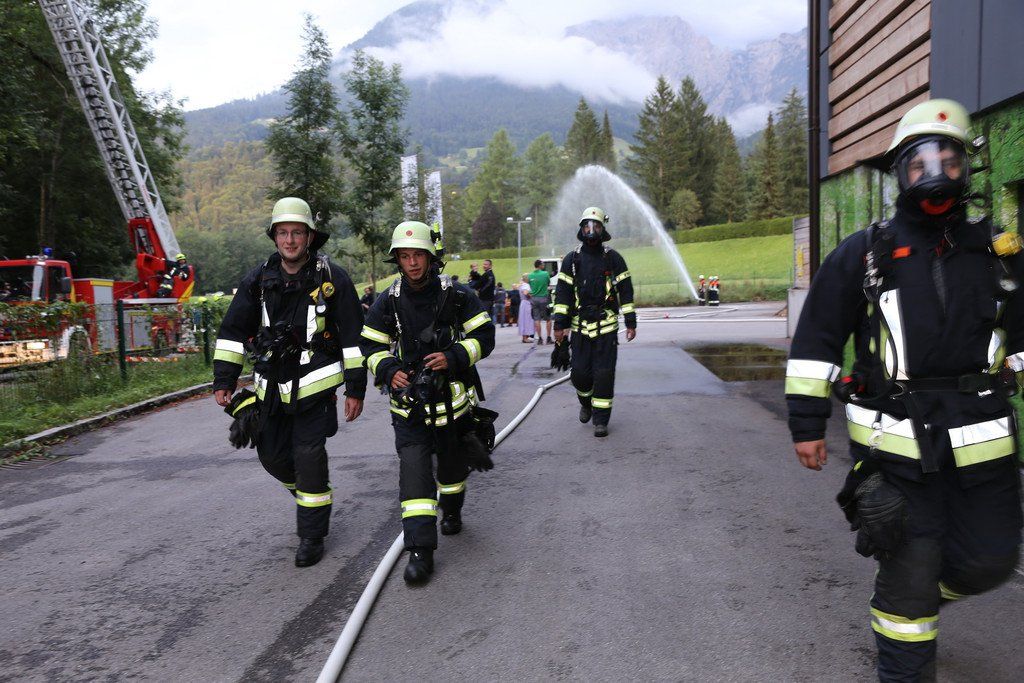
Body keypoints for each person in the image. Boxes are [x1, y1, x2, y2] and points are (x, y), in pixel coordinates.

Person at [785, 99, 1024, 682]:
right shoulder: (865, 253)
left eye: (948, 159)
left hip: (983, 446)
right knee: (909, 585)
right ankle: (906, 608)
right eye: (919, 162)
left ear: (966, 167)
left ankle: (918, 594)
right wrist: (806, 424)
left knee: (990, 563)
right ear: (901, 171)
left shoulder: (998, 252)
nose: (934, 172)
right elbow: (817, 338)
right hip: (897, 451)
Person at [212, 197, 366, 568]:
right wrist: (224, 378)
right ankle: (313, 496)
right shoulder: (258, 280)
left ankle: (311, 536)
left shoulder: (333, 279)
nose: (290, 240)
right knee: (272, 457)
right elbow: (233, 331)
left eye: (297, 233)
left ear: (310, 237)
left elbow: (353, 337)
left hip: (316, 389)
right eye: (283, 233)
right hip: (271, 389)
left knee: (309, 456)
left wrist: (355, 389)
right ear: (275, 237)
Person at [359, 221, 496, 585]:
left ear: (430, 257)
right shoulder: (388, 301)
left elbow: (485, 335)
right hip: (410, 409)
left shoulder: (458, 295)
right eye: (404, 256)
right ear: (397, 260)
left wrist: (453, 356)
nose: (412, 263)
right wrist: (388, 369)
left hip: (453, 406)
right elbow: (369, 345)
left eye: (418, 255)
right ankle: (420, 552)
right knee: (415, 475)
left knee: (452, 473)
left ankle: (452, 509)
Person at [552, 207, 636, 437]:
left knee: (604, 374)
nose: (591, 230)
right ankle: (586, 403)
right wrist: (559, 326)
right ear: (581, 229)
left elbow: (626, 290)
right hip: (580, 327)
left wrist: (630, 322)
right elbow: (563, 295)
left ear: (602, 229)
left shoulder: (613, 258)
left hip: (606, 327)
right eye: (587, 226)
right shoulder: (571, 259)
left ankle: (601, 420)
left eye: (596, 226)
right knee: (579, 374)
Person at [528, 260, 553, 344]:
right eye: (542, 264)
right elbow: (548, 283)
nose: (543, 265)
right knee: (548, 318)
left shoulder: (530, 275)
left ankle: (540, 339)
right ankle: (548, 338)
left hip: (534, 299)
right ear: (540, 265)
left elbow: (530, 285)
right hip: (544, 298)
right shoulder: (545, 274)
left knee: (536, 319)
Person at [517, 275, 534, 343]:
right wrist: (532, 295)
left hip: (523, 303)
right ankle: (525, 338)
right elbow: (525, 292)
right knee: (527, 320)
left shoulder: (522, 284)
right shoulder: (526, 285)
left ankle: (525, 337)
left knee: (524, 320)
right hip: (527, 303)